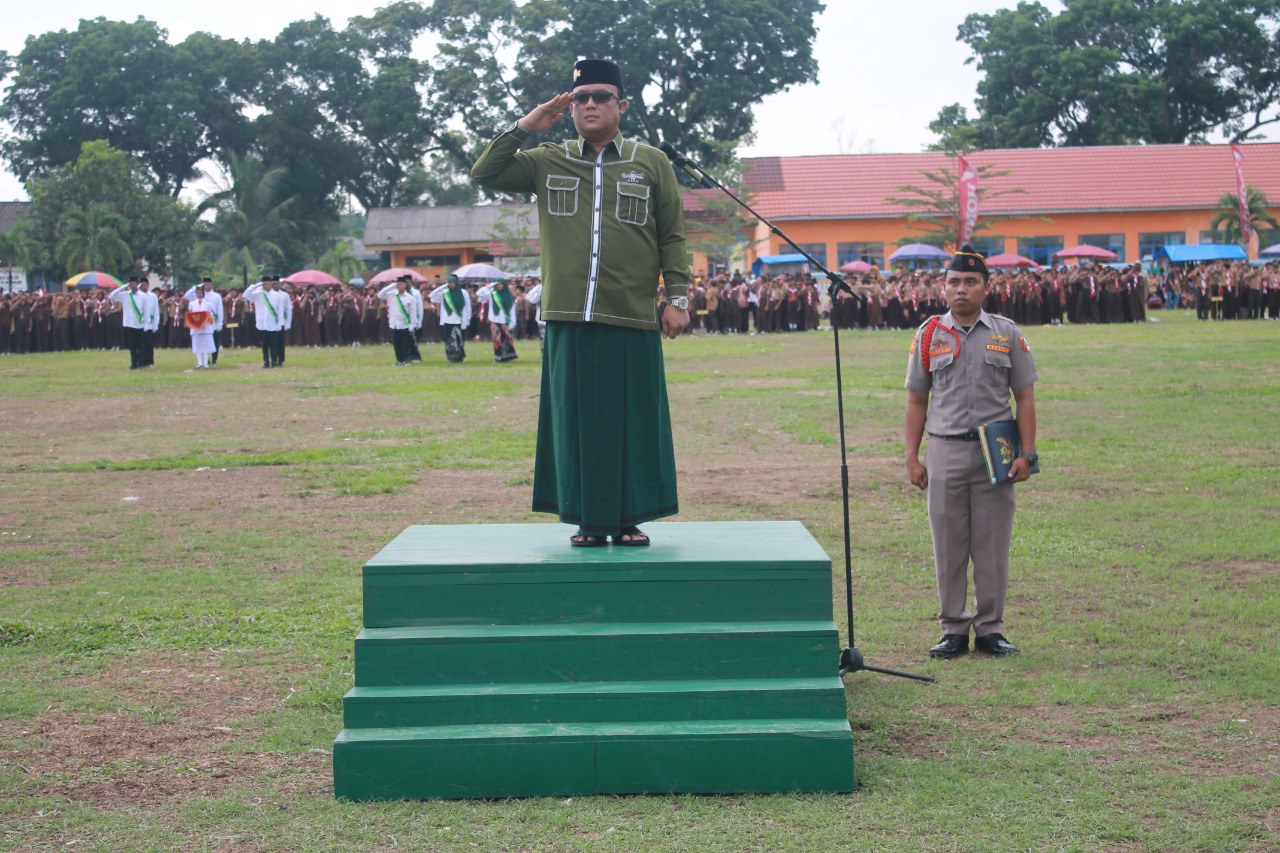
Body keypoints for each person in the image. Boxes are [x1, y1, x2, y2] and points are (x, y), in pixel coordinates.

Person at [472, 57, 691, 547]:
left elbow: (673, 237)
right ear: (569, 106)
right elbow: (485, 172)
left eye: (601, 97)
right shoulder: (547, 159)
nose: (589, 104)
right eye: (580, 98)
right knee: (575, 420)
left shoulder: (650, 161)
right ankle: (587, 519)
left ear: (622, 105)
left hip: (632, 312)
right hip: (569, 313)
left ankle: (630, 516)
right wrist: (529, 124)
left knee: (634, 418)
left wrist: (676, 296)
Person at [904, 245, 1039, 658]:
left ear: (986, 287)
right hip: (945, 450)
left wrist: (1027, 454)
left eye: (970, 282)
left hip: (994, 452)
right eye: (954, 282)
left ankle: (991, 629)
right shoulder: (928, 334)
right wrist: (912, 455)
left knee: (992, 543)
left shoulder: (1006, 333)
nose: (961, 289)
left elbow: (1025, 397)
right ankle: (954, 629)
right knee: (948, 541)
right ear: (943, 289)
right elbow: (916, 400)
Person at [244, 275, 290, 368]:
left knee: (273, 344)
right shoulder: (258, 294)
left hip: (273, 323)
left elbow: (280, 311)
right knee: (264, 344)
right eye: (264, 284)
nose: (266, 286)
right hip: (261, 324)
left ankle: (274, 361)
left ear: (270, 284)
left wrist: (280, 324)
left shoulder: (277, 295)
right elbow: (246, 295)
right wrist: (256, 285)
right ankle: (266, 362)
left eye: (267, 283)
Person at [108, 278, 154, 370]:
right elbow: (111, 296)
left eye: (134, 283)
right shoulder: (125, 295)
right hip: (129, 324)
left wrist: (147, 324)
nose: (132, 285)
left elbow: (147, 310)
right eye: (131, 284)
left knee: (140, 345)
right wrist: (124, 287)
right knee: (132, 346)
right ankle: (133, 363)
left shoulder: (142, 296)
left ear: (137, 284)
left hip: (139, 324)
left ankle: (141, 364)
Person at [377, 277, 422, 366]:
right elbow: (380, 295)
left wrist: (412, 325)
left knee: (405, 343)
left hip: (405, 324)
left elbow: (413, 312)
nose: (400, 286)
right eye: (398, 284)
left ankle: (405, 360)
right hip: (394, 323)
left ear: (405, 285)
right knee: (396, 343)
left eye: (402, 284)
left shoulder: (410, 298)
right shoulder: (392, 295)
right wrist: (393, 285)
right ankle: (399, 360)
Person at [429, 274, 471, 363]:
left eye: (453, 283)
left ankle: (459, 356)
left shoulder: (463, 293)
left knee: (459, 339)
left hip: (459, 320)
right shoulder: (445, 293)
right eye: (450, 283)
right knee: (449, 340)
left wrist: (467, 319)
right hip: (447, 320)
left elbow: (467, 307)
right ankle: (451, 357)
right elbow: (432, 296)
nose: (451, 284)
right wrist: (442, 287)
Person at [476, 280, 519, 362]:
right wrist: (489, 286)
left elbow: (512, 310)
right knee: (496, 339)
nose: (499, 286)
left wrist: (513, 322)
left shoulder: (509, 296)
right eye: (497, 284)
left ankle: (507, 356)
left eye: (501, 284)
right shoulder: (492, 294)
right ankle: (498, 356)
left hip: (506, 320)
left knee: (506, 338)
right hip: (495, 320)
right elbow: (479, 293)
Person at [183, 278, 223, 364]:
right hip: (200, 323)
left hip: (212, 321)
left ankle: (214, 359)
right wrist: (197, 287)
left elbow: (220, 310)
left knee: (213, 341)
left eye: (208, 284)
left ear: (211, 285)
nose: (206, 286)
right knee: (204, 342)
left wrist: (220, 322)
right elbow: (186, 296)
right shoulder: (197, 296)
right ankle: (206, 360)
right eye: (205, 284)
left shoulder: (216, 296)